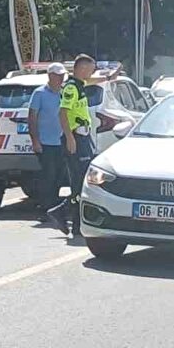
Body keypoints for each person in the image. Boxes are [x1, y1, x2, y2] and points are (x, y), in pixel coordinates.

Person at [46, 55, 121, 236]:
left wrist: (109, 77)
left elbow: (93, 80)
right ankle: (63, 213)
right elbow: (63, 113)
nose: (92, 73)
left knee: (82, 181)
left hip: (83, 137)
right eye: (90, 69)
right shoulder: (71, 88)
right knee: (79, 181)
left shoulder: (79, 84)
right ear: (82, 69)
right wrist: (70, 138)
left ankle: (73, 221)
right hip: (76, 138)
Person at [28, 62, 67, 214]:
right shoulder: (39, 93)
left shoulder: (64, 93)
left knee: (59, 175)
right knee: (48, 176)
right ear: (50, 76)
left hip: (62, 141)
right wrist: (35, 141)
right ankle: (45, 208)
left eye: (62, 75)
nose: (61, 78)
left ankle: (54, 206)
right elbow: (32, 117)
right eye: (58, 75)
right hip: (45, 142)